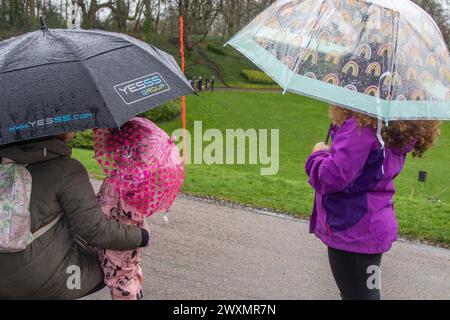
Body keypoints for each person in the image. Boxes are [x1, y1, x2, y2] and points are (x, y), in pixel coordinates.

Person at [305, 105, 440, 300]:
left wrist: (318, 154)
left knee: (361, 295)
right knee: (362, 293)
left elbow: (331, 177)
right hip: (370, 226)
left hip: (353, 230)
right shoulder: (388, 128)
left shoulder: (361, 127)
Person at [0, 132, 149, 299]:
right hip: (38, 280)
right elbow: (94, 230)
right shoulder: (66, 169)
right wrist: (140, 236)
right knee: (106, 264)